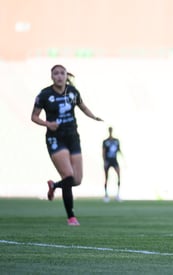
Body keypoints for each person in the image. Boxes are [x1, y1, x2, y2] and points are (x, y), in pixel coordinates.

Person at [31, 64, 103, 226]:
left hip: (72, 137)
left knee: (77, 180)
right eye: (56, 73)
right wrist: (48, 124)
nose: (59, 76)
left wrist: (94, 116)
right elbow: (34, 116)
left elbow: (82, 106)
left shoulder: (72, 92)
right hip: (56, 138)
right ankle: (71, 217)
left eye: (62, 73)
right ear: (51, 76)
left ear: (66, 75)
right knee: (69, 176)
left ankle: (54, 185)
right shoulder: (45, 94)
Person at [102, 126, 122, 202]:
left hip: (114, 160)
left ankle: (118, 194)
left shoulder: (116, 141)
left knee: (119, 176)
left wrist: (123, 160)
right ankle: (106, 195)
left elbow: (119, 150)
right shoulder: (105, 141)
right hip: (108, 160)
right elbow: (103, 152)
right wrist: (104, 161)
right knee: (106, 178)